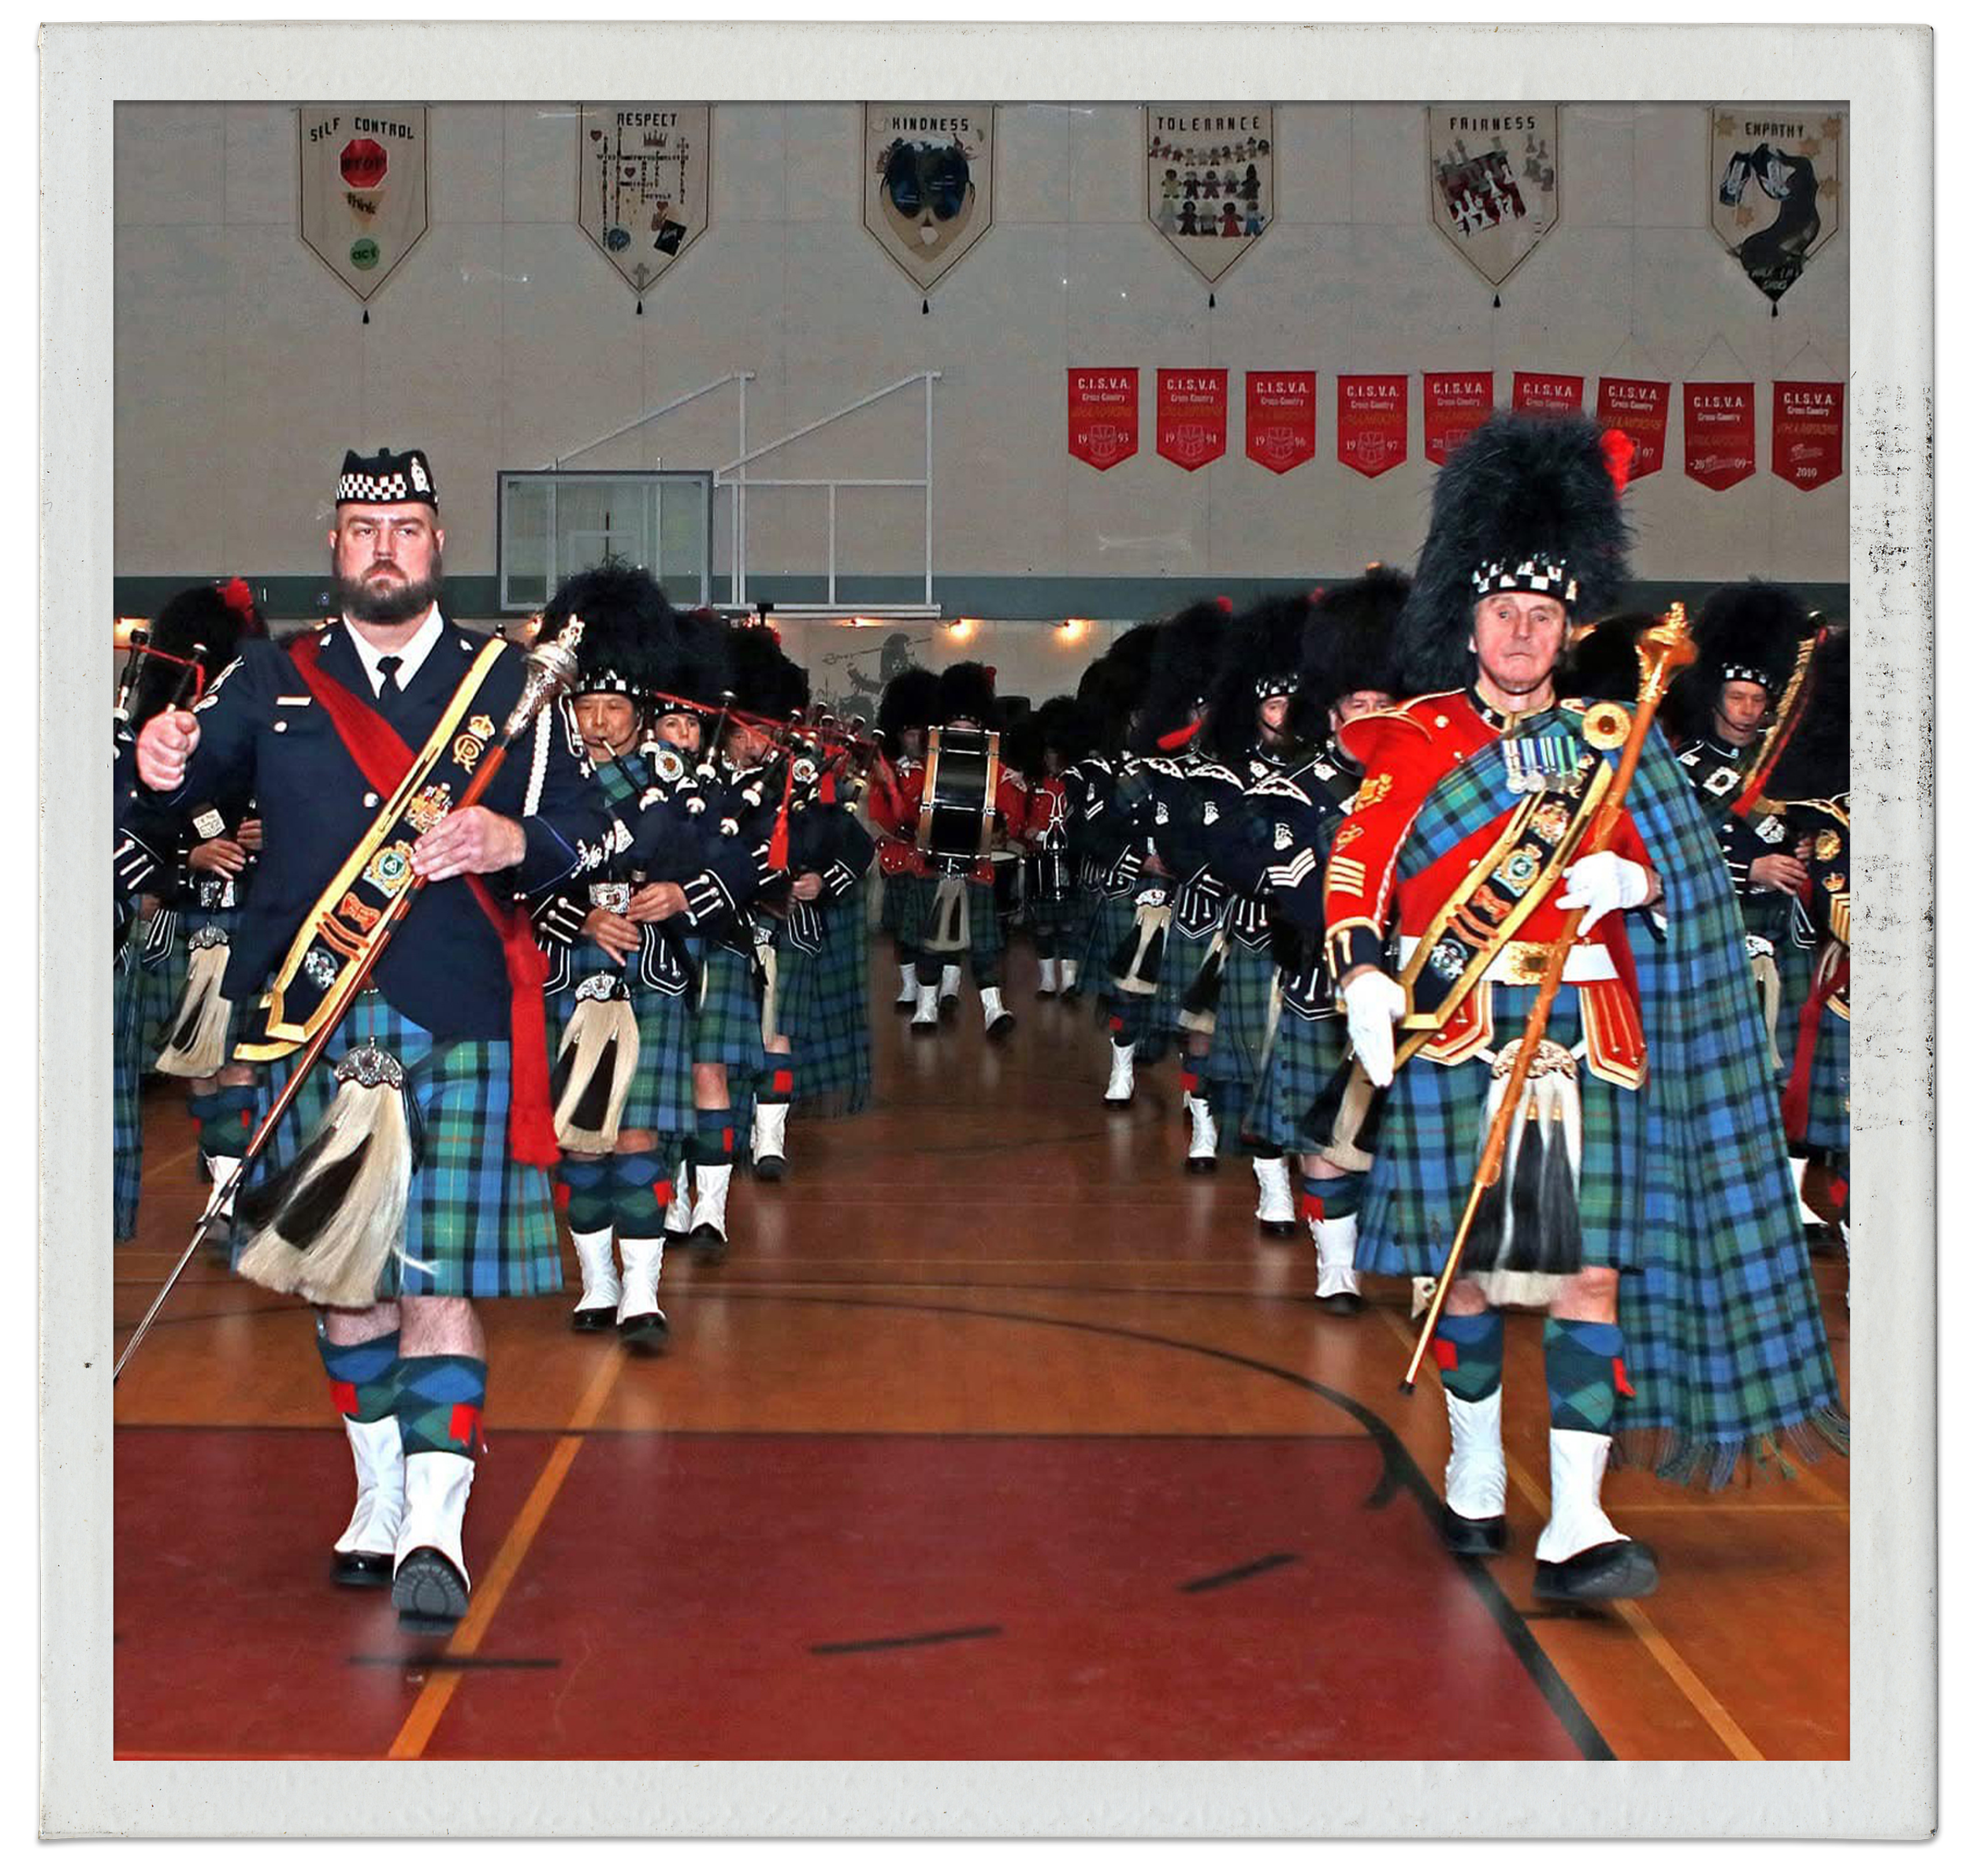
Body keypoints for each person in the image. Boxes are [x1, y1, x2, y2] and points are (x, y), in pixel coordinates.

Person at [1325, 412, 1844, 1602]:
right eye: (1503, 611)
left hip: (1586, 1041)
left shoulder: (1621, 745)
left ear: (1570, 626)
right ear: (1469, 620)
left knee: (1587, 1279)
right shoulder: (1414, 742)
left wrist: (1640, 877)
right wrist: (1361, 971)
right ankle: (1471, 1465)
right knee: (1461, 1282)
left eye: (1544, 615)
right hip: (1460, 1030)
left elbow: (1686, 881)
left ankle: (1581, 1521)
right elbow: (1357, 866)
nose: (1521, 631)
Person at [131, 447, 614, 1633]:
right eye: (362, 527)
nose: (384, 543)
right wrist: (156, 769)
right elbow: (184, 798)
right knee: (346, 1292)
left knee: (439, 1281)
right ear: (335, 546)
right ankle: (380, 1495)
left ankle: (438, 1531)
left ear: (438, 542)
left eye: (404, 523)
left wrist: (514, 841)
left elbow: (589, 825)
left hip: (458, 1009)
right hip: (314, 1014)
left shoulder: (508, 683)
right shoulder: (269, 678)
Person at [527, 567, 760, 1347]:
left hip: (648, 983)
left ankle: (641, 1295)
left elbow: (739, 865)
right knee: (578, 1144)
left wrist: (680, 895)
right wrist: (580, 915)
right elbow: (509, 881)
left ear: (639, 713)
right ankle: (595, 1284)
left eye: (612, 708)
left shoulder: (677, 790)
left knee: (635, 1142)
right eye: (585, 706)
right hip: (569, 975)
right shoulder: (537, 790)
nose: (596, 722)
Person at [1236, 571, 1405, 1296]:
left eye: (1380, 704)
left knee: (1395, 1138)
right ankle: (1336, 1269)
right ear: (1333, 714)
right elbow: (1292, 890)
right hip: (1320, 983)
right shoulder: (1295, 787)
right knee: (1323, 1134)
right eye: (1356, 705)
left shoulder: (1427, 787)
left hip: (1415, 989)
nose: (1368, 714)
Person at [1667, 582, 1823, 1224]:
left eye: (1760, 699)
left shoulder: (1783, 774)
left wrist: (1812, 851)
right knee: (1716, 1068)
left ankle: (1787, 1196)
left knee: (1785, 1064)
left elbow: (1805, 834)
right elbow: (1674, 854)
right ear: (1714, 697)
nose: (1749, 709)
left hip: (1783, 933)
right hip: (1717, 933)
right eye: (1738, 696)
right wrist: (1750, 867)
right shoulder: (1684, 767)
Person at [872, 665, 942, 1009]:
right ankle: (909, 987)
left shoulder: (938, 771)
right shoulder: (890, 771)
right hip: (899, 860)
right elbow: (881, 816)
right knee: (901, 932)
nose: (912, 739)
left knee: (928, 933)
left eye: (918, 732)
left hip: (930, 862)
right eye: (907, 733)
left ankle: (929, 998)